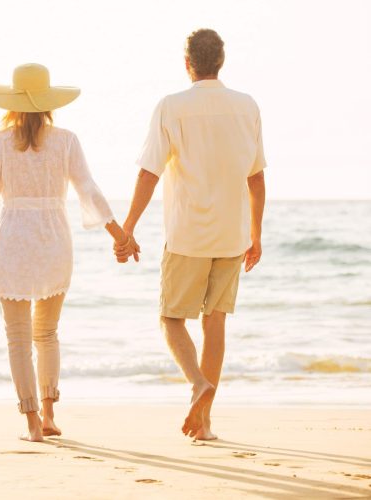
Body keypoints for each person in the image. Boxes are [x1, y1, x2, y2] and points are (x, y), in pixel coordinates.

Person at [0, 63, 135, 442]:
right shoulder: (66, 140)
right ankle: (51, 415)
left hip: (15, 242)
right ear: (48, 102)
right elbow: (87, 188)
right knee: (48, 333)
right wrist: (118, 233)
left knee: (18, 338)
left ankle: (32, 423)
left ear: (12, 103)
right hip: (55, 239)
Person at [115, 29, 267, 440]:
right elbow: (256, 179)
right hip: (231, 235)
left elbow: (150, 172)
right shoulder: (247, 106)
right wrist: (256, 235)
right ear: (221, 61)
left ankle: (198, 384)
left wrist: (128, 227)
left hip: (187, 235)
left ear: (188, 64)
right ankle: (205, 424)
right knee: (214, 325)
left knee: (170, 318)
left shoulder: (171, 107)